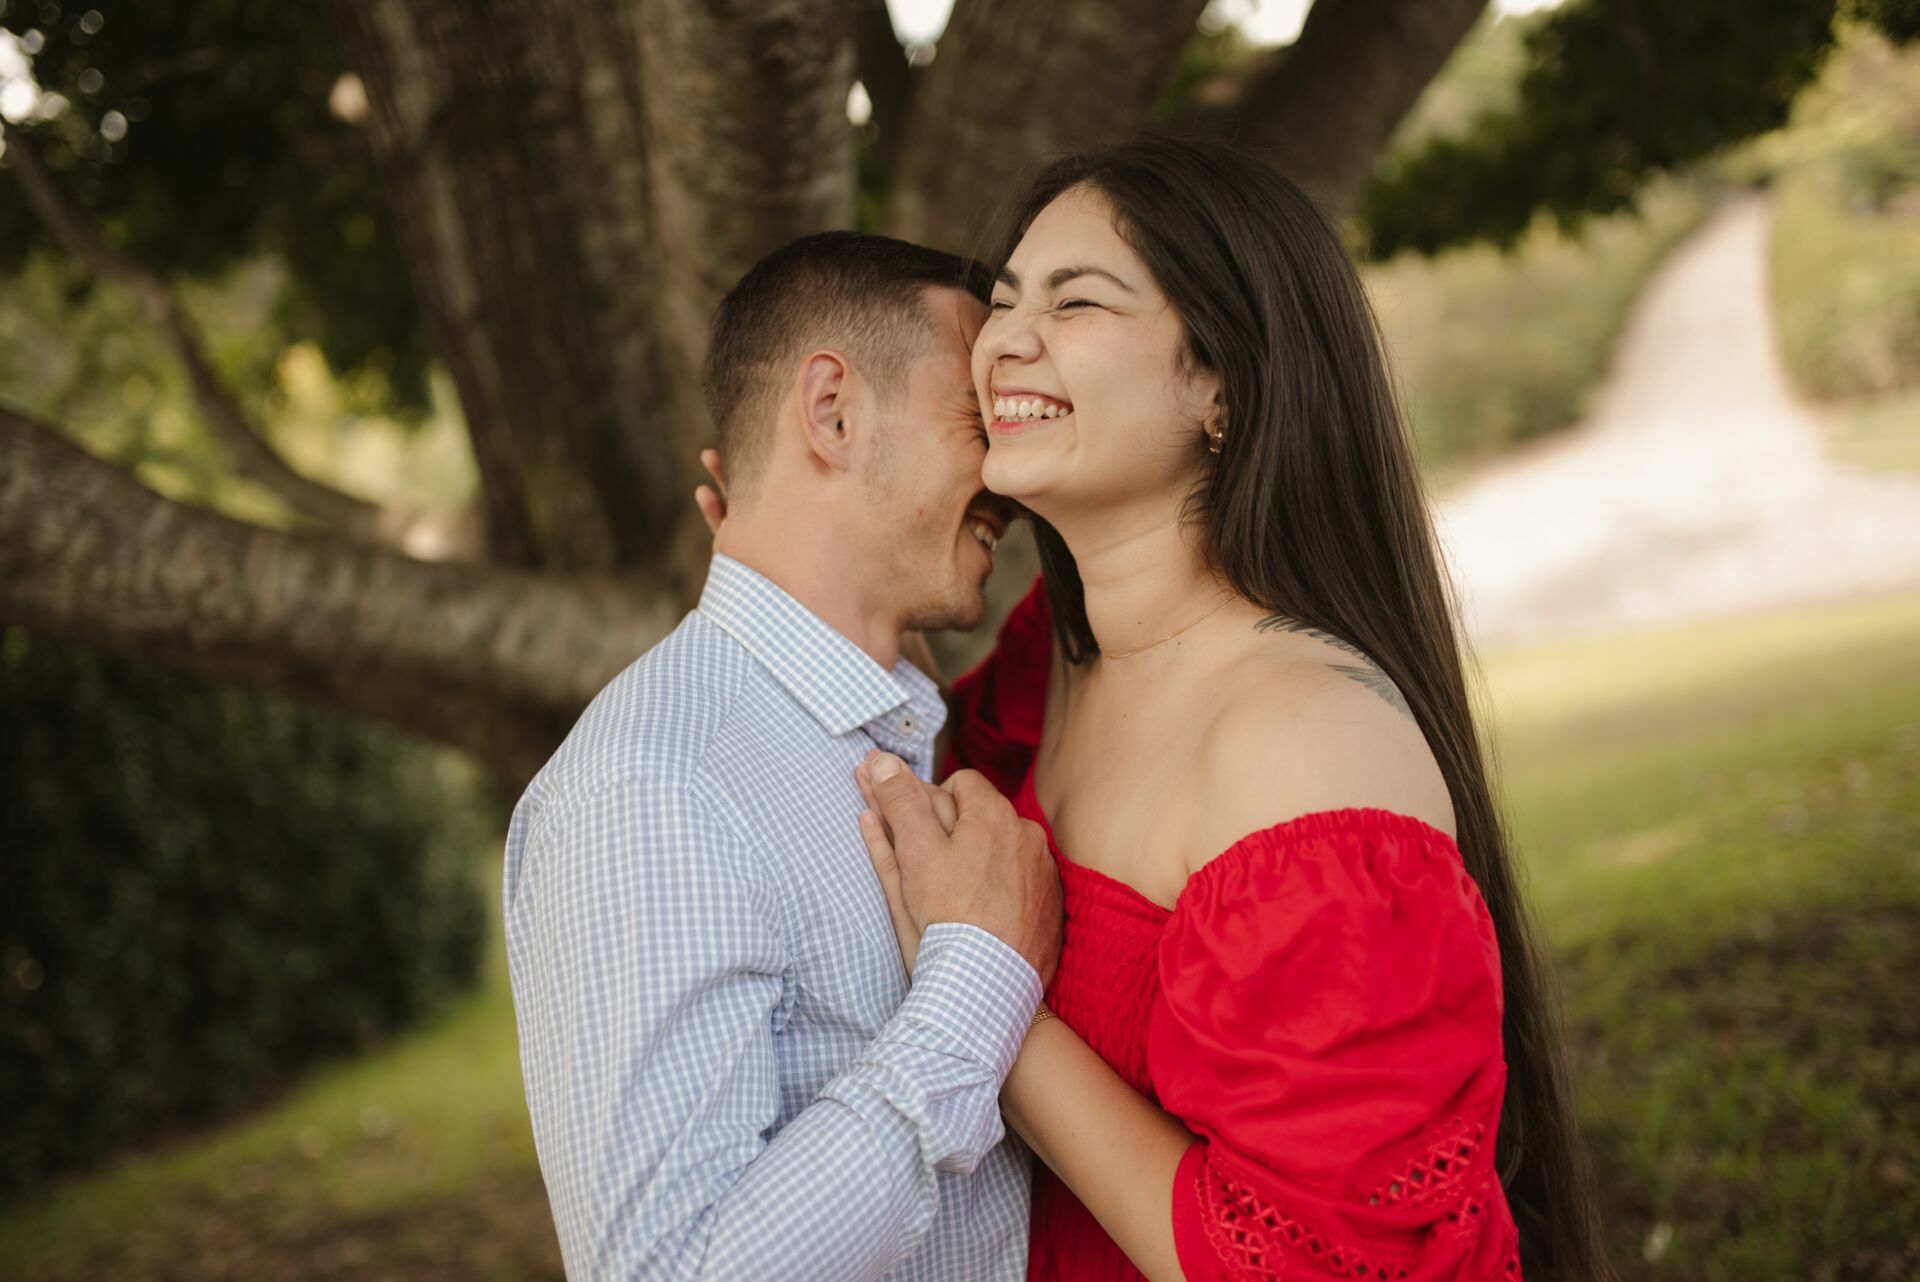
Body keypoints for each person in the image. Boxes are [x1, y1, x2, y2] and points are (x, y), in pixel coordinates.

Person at [849, 137, 1615, 1282]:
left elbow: (1313, 1263)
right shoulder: (1039, 670)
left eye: (1078, 301)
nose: (1005, 339)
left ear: (1221, 381)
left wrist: (990, 999)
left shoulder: (1303, 746)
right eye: (1005, 300)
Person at [502, 230, 1062, 1282]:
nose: (1009, 471)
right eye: (975, 419)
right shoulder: (654, 788)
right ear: (833, 410)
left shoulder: (899, 724)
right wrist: (977, 983)